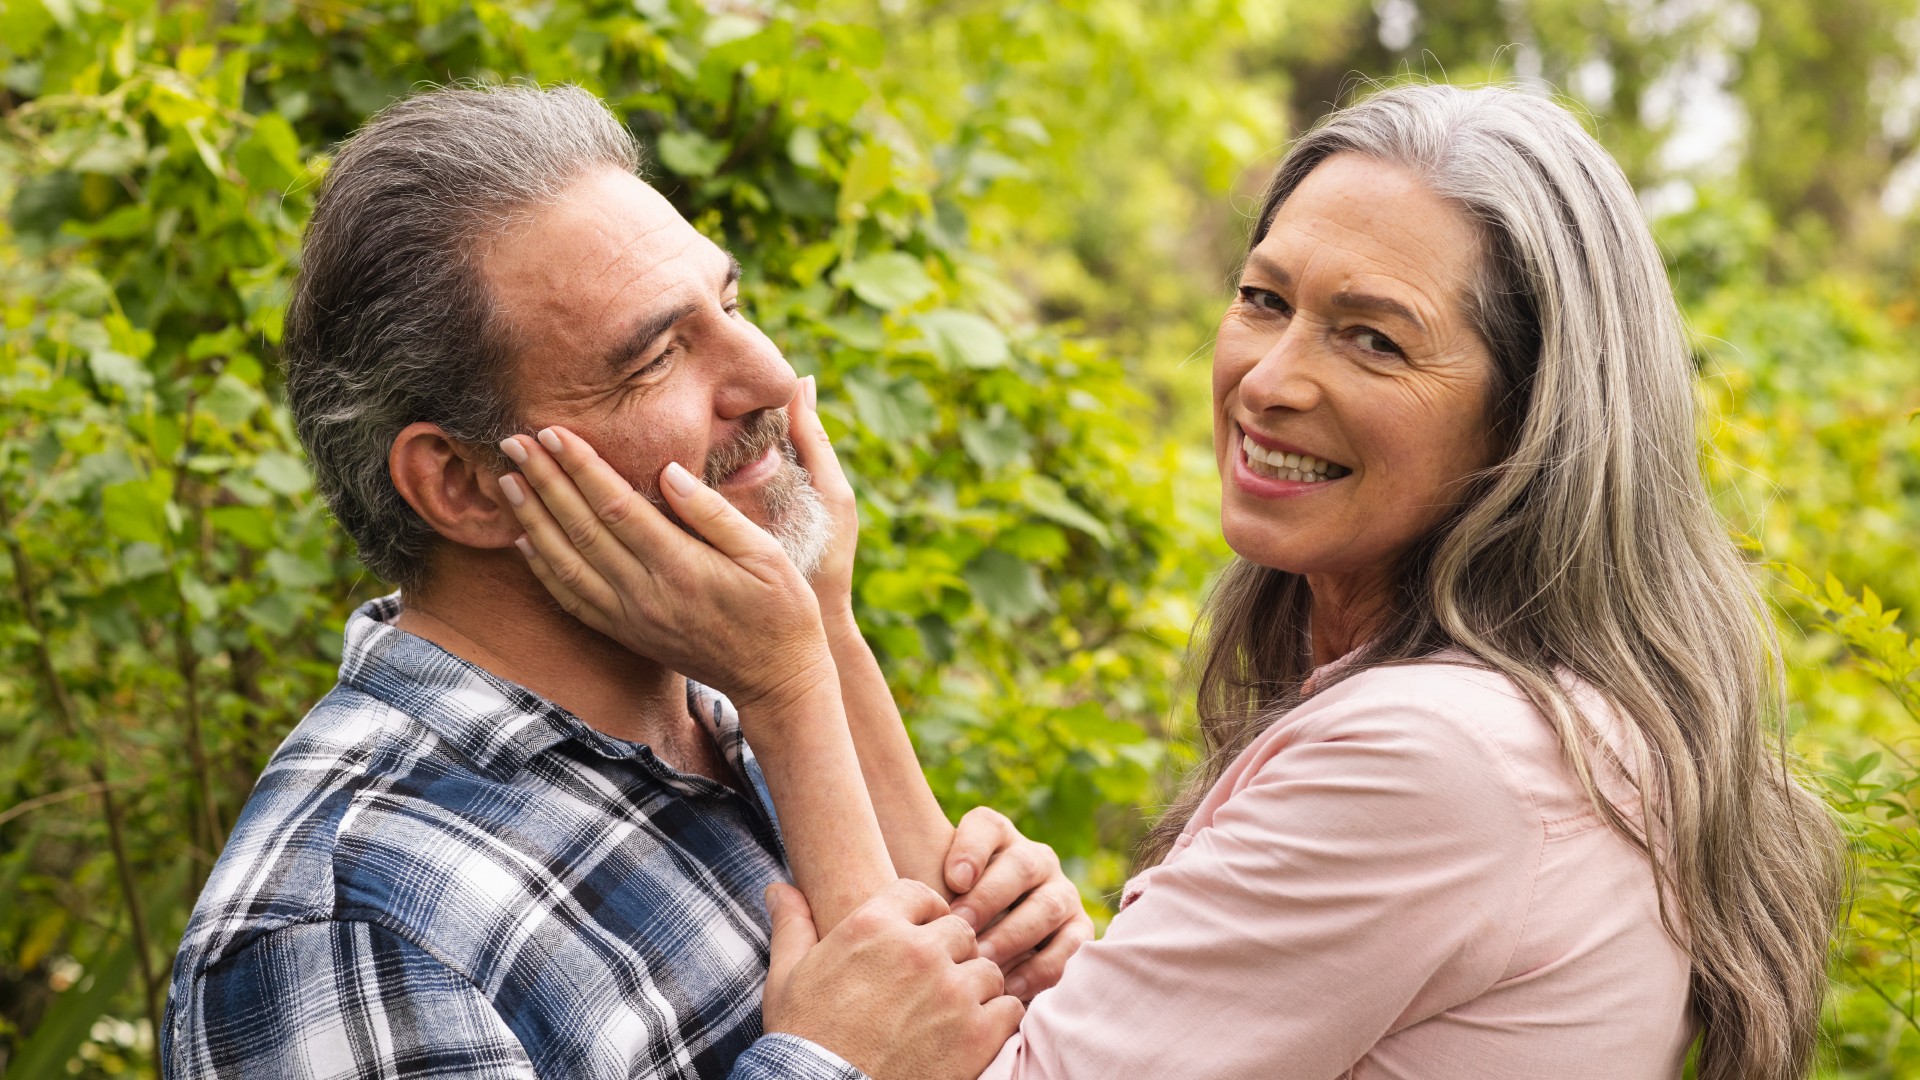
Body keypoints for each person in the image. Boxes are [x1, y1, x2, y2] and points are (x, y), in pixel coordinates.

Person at [505, 82, 1848, 1080]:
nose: (1270, 378)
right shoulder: (1498, 718)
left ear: (1530, 418)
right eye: (1266, 300)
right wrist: (835, 630)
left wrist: (786, 680)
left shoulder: (1440, 762)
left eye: (1373, 340)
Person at [162, 84, 1092, 1080]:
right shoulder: (341, 927)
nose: (771, 376)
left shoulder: (719, 701)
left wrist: (1028, 987)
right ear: (465, 484)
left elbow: (944, 1033)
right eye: (654, 358)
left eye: (730, 305)